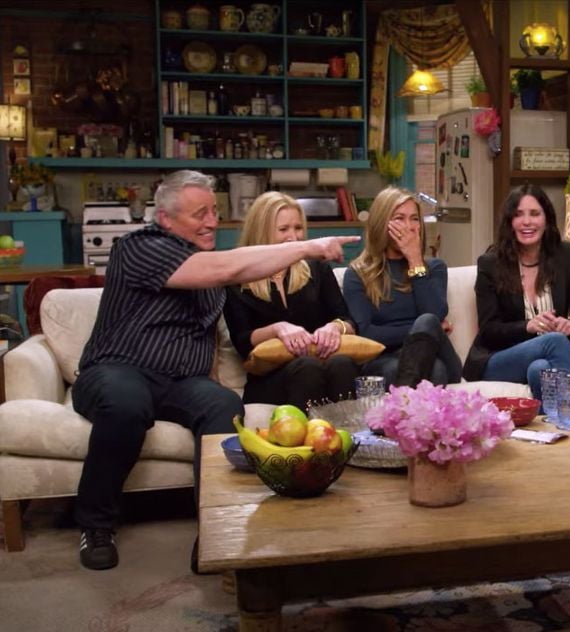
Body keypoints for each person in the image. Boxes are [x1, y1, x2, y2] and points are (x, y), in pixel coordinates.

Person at [73, 170, 358, 571]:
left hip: (180, 383)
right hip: (117, 370)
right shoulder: (138, 247)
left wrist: (212, 375)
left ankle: (213, 529)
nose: (211, 222)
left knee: (223, 406)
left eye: (213, 211)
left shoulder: (210, 270)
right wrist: (309, 246)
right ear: (166, 219)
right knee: (127, 403)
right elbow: (224, 270)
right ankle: (96, 525)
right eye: (199, 214)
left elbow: (206, 327)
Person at [463, 184, 570, 416]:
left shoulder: (566, 256)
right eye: (518, 215)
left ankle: (553, 425)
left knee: (541, 369)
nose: (527, 222)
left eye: (535, 214)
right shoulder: (490, 264)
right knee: (554, 341)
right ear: (510, 222)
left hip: (547, 357)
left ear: (546, 219)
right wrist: (528, 326)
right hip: (499, 358)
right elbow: (488, 330)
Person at [222, 191, 358, 410]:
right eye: (283, 229)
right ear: (261, 231)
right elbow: (242, 341)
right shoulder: (238, 279)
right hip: (270, 378)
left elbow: (348, 320)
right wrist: (278, 329)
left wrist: (335, 327)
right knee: (306, 367)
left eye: (298, 228)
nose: (293, 237)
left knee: (343, 364)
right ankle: (304, 433)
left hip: (323, 364)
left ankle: (347, 430)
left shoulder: (317, 269)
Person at [343, 187, 460, 387]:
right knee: (435, 368)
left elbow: (435, 313)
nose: (409, 227)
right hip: (385, 359)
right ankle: (412, 402)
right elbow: (367, 334)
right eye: (399, 218)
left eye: (414, 219)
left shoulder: (435, 268)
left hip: (437, 353)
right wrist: (427, 331)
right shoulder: (358, 274)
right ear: (382, 223)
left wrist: (415, 260)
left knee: (427, 320)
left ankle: (403, 398)